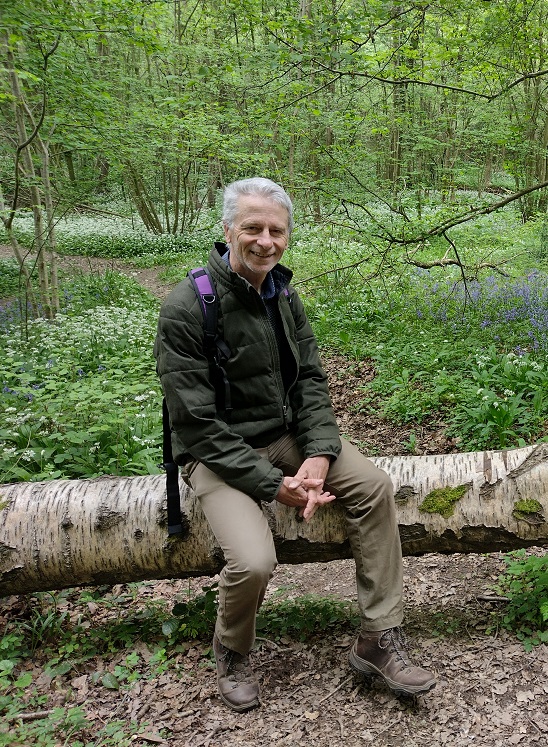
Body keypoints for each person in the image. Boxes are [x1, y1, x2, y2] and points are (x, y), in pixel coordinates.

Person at [154, 177, 436, 712]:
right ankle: (233, 651)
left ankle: (378, 639)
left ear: (287, 235)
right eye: (253, 228)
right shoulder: (188, 307)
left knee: (374, 486)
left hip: (286, 437)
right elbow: (194, 422)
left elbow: (309, 381)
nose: (265, 241)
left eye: (276, 230)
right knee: (255, 560)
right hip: (216, 453)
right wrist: (270, 485)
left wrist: (318, 453)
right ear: (227, 230)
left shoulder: (282, 294)